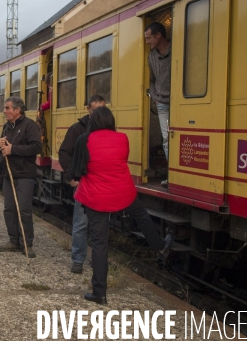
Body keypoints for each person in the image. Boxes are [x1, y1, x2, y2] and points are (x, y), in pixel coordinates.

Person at [71, 106, 172, 305]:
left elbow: (76, 172)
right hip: (123, 191)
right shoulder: (122, 138)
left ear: (93, 121)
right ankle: (160, 246)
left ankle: (99, 293)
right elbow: (121, 160)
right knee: (142, 216)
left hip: (96, 196)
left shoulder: (84, 140)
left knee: (100, 243)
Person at [58, 95, 106, 274]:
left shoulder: (108, 130)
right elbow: (64, 153)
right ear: (88, 109)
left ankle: (97, 260)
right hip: (84, 184)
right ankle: (78, 260)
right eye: (95, 110)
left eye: (101, 110)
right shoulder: (77, 129)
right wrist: (72, 177)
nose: (98, 114)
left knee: (100, 225)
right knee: (81, 223)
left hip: (101, 185)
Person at [0, 97, 42, 258]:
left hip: (24, 175)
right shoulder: (7, 126)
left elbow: (36, 147)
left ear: (17, 110)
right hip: (8, 174)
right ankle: (13, 240)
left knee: (24, 210)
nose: (4, 111)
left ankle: (26, 243)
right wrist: (0, 144)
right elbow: (2, 147)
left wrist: (13, 149)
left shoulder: (30, 126)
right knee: (9, 209)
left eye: (7, 108)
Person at [145, 22, 171, 187]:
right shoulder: (151, 57)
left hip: (181, 102)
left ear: (158, 35)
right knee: (167, 139)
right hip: (162, 103)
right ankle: (173, 175)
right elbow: (152, 80)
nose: (147, 42)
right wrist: (155, 96)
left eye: (149, 38)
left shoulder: (176, 49)